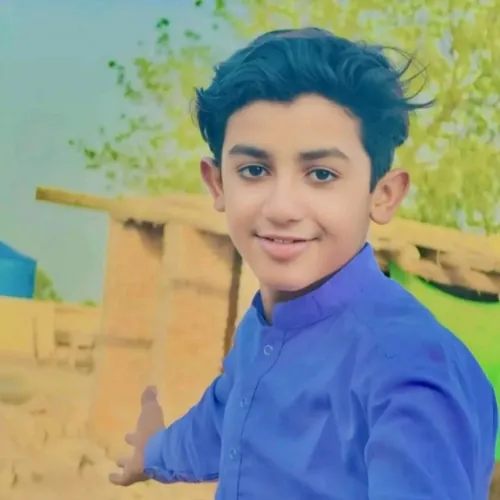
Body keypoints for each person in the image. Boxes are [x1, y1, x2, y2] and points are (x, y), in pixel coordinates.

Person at [108, 27, 498, 499]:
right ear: (218, 185)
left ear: (383, 194)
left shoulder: (408, 374)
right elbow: (226, 417)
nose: (282, 207)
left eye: (321, 174)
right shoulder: (265, 329)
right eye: (254, 170)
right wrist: (154, 453)